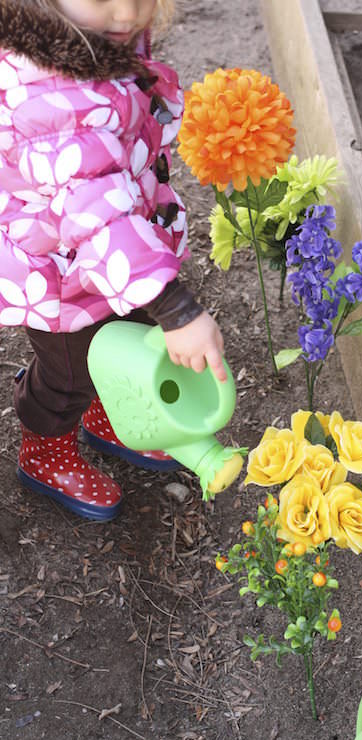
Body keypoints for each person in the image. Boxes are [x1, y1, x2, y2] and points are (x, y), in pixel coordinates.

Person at [0, 0, 228, 520]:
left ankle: (111, 416)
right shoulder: (51, 96)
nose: (128, 12)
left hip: (119, 261)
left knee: (125, 333)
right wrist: (177, 310)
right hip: (61, 277)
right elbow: (97, 216)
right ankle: (45, 451)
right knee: (69, 373)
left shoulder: (92, 34)